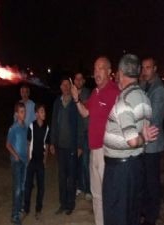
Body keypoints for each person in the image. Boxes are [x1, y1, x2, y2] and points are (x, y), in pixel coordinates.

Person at [102, 54, 158, 225]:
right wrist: (144, 138)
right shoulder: (145, 98)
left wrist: (142, 138)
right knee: (131, 216)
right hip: (136, 166)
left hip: (120, 172)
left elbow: (133, 140)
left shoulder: (123, 101)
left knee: (116, 218)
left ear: (120, 73)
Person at [71, 57, 119, 225]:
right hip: (93, 149)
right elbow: (85, 113)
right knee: (96, 194)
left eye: (100, 68)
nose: (96, 72)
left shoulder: (115, 92)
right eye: (95, 69)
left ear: (108, 71)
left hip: (107, 152)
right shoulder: (95, 92)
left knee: (109, 194)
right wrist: (76, 99)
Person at [140, 57, 164, 225]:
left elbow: (154, 118)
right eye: (143, 67)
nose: (145, 70)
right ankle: (145, 212)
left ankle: (151, 218)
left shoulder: (159, 89)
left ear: (155, 68)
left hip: (153, 144)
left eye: (148, 67)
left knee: (152, 183)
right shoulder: (144, 85)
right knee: (144, 181)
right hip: (144, 143)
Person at [50, 77, 80, 215]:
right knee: (62, 177)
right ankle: (63, 204)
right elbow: (53, 123)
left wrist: (79, 145)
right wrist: (52, 142)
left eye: (68, 84)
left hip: (72, 146)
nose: (66, 87)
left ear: (70, 86)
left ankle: (70, 204)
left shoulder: (75, 102)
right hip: (60, 147)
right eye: (63, 85)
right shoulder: (57, 102)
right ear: (61, 87)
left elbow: (80, 124)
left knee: (71, 176)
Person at [24, 104, 50, 220]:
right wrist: (28, 158)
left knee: (41, 187)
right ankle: (26, 209)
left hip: (40, 161)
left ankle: (38, 210)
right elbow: (28, 142)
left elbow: (47, 144)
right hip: (32, 160)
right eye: (41, 111)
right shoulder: (31, 126)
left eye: (44, 111)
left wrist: (45, 159)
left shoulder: (47, 127)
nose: (44, 113)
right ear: (36, 114)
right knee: (28, 185)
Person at [6, 102, 28, 225]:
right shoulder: (13, 128)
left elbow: (26, 143)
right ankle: (14, 215)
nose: (23, 114)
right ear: (16, 114)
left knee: (23, 186)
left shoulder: (25, 127)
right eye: (21, 111)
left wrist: (27, 157)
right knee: (17, 189)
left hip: (24, 161)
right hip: (16, 162)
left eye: (24, 111)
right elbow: (8, 145)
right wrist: (15, 156)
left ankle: (19, 210)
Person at [72, 72, 92, 200]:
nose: (78, 81)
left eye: (80, 79)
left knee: (85, 161)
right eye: (76, 78)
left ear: (84, 81)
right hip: (74, 132)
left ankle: (88, 189)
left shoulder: (87, 93)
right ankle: (79, 185)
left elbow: (86, 112)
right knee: (76, 161)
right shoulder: (71, 92)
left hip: (85, 132)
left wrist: (77, 98)